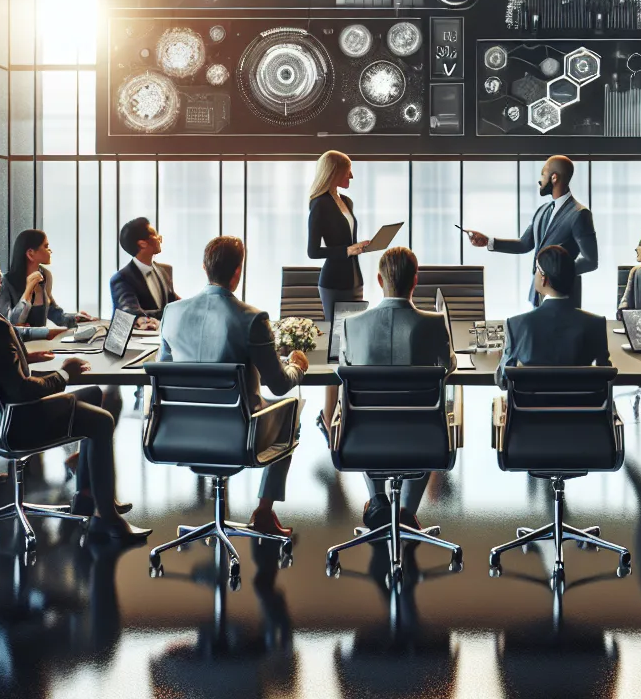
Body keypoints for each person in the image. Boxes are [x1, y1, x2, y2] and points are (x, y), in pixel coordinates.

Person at [0, 243, 147, 543]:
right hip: (13, 423)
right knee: (101, 421)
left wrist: (22, 358)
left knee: (92, 394)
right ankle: (106, 519)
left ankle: (87, 497)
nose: (1, 274)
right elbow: (22, 391)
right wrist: (64, 374)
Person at [158, 236, 310, 538]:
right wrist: (298, 367)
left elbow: (165, 373)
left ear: (204, 268)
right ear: (238, 272)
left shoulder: (171, 313)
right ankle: (264, 511)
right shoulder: (252, 319)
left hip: (180, 432)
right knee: (292, 413)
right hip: (239, 436)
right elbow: (278, 385)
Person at [336, 246, 451, 530]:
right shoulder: (434, 324)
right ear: (415, 280)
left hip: (363, 441)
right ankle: (406, 512)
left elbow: (347, 375)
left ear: (378, 280)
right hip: (420, 439)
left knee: (363, 410)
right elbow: (446, 367)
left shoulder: (352, 325)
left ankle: (377, 498)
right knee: (427, 412)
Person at [466, 155, 599, 308]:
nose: (540, 180)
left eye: (543, 174)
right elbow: (524, 244)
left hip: (565, 298)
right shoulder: (542, 211)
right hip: (538, 294)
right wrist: (488, 241)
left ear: (554, 178)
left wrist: (556, 274)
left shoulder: (579, 214)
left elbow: (591, 261)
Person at [495, 245, 611, 387]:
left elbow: (503, 380)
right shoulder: (596, 324)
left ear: (544, 278)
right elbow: (605, 378)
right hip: (580, 407)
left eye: (536, 269)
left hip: (531, 407)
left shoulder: (516, 324)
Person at [307, 150, 369, 320]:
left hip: (355, 280)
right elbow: (313, 252)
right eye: (348, 171)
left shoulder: (346, 201)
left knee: (354, 333)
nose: (352, 176)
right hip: (334, 283)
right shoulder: (320, 204)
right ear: (335, 172)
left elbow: (347, 240)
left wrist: (358, 247)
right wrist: (347, 251)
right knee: (337, 335)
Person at [0, 229, 92, 329]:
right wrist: (28, 290)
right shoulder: (6, 282)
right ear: (31, 253)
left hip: (41, 342)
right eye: (45, 246)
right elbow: (7, 323)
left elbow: (52, 312)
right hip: (17, 343)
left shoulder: (46, 276)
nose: (50, 251)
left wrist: (75, 318)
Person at [109, 217, 176, 324]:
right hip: (137, 339)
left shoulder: (165, 270)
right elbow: (129, 311)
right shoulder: (121, 279)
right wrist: (169, 312)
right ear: (142, 244)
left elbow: (174, 302)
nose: (160, 239)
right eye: (156, 236)